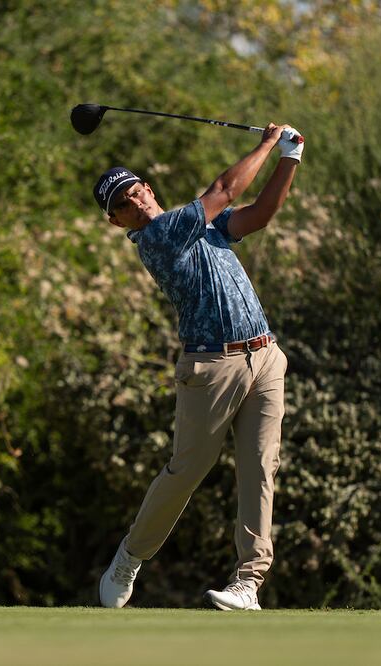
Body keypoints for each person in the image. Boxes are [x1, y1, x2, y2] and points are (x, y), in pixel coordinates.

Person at [94, 123, 303, 611]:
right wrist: (269, 143)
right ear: (117, 220)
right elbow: (225, 189)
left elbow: (261, 213)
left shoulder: (204, 225)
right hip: (211, 367)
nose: (138, 198)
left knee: (259, 469)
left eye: (139, 187)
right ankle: (129, 557)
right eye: (124, 201)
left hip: (266, 357)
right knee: (186, 470)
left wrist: (290, 159)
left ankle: (248, 582)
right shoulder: (158, 238)